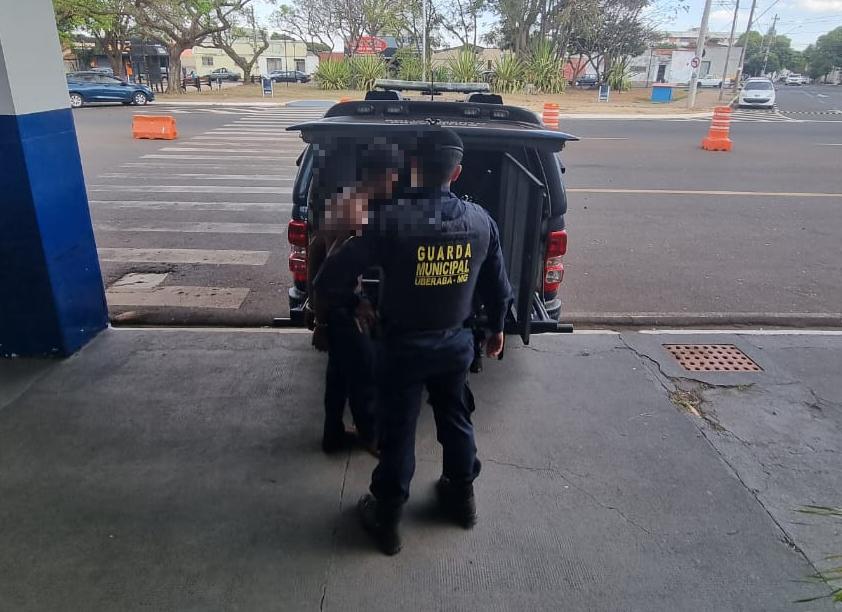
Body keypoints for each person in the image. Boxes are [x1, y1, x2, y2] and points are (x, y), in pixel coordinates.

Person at [314, 129, 512, 555]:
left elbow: (330, 277)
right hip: (456, 346)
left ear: (412, 169)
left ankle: (387, 517)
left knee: (399, 431)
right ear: (456, 172)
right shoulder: (481, 221)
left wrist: (356, 301)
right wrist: (496, 329)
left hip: (402, 351)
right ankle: (462, 498)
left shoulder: (389, 221)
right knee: (456, 418)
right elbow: (500, 288)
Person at [308, 145, 402, 454]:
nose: (395, 184)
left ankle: (332, 435)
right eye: (394, 177)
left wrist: (317, 312)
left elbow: (315, 253)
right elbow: (329, 274)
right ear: (385, 176)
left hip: (332, 305)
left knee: (338, 374)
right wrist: (352, 304)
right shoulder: (356, 214)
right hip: (341, 307)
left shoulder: (344, 199)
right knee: (365, 373)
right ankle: (371, 438)